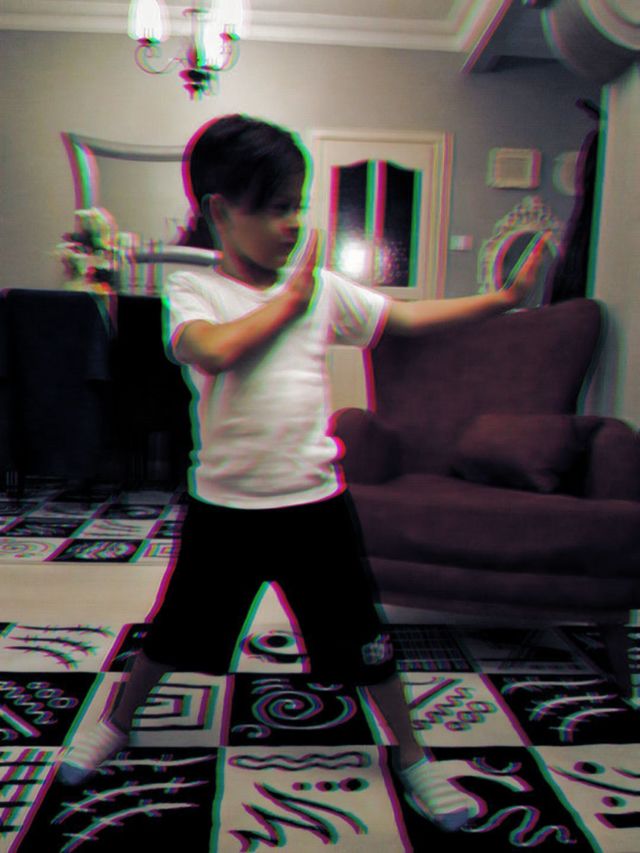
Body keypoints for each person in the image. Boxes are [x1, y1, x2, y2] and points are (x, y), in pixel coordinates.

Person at [57, 114, 543, 832]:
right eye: (276, 207)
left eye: (298, 204)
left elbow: (405, 321)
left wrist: (503, 300)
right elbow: (212, 350)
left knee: (366, 642)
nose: (294, 223)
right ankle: (116, 722)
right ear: (222, 210)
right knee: (175, 633)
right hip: (226, 510)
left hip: (315, 506)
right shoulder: (196, 291)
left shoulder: (323, 290)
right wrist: (289, 301)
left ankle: (412, 756)